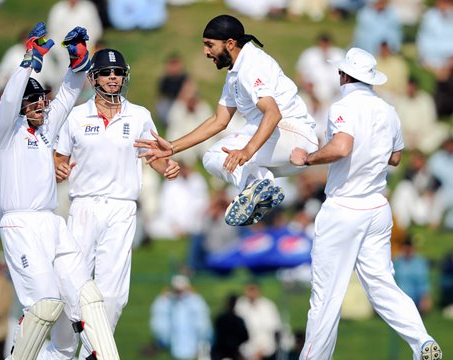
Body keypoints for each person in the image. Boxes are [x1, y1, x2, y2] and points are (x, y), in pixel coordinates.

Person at [277, 47, 442, 360]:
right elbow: (396, 157)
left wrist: (306, 158)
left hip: (345, 209)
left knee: (326, 296)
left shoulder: (343, 107)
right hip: (378, 208)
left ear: (345, 75)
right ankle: (422, 341)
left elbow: (340, 148)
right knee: (382, 285)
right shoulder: (388, 110)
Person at [0, 22, 133, 360]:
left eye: (41, 100)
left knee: (87, 296)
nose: (40, 106)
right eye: (32, 101)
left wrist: (78, 62)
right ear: (21, 106)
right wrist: (28, 62)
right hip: (20, 224)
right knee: (46, 304)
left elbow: (69, 93)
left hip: (52, 223)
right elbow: (8, 102)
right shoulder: (5, 133)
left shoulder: (46, 128)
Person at [36, 47, 180, 360]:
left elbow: (154, 156)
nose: (112, 78)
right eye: (105, 73)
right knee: (73, 287)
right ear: (94, 78)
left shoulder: (141, 116)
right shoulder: (75, 117)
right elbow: (58, 159)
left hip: (121, 207)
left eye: (117, 72)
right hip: (83, 206)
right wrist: (56, 166)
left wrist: (169, 166)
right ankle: (61, 351)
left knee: (113, 294)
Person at [135, 14, 319, 227]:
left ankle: (258, 184)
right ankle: (259, 185)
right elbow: (219, 120)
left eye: (209, 45)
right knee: (213, 157)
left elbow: (273, 113)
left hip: (291, 133)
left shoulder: (252, 65)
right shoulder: (235, 72)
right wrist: (173, 147)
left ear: (230, 44)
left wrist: (246, 151)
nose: (205, 52)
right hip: (283, 147)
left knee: (215, 155)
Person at [149, 275, 213, 360]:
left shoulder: (195, 301)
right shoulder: (165, 301)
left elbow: (202, 322)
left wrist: (202, 340)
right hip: (173, 343)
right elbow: (159, 322)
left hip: (192, 341)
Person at [235, 282, 282, 360]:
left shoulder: (268, 306)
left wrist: (262, 350)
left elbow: (275, 329)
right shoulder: (240, 306)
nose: (251, 293)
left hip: (267, 346)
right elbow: (238, 332)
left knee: (270, 359)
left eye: (253, 290)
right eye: (249, 290)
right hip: (246, 346)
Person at [211, 294, 249, 360]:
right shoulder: (222, 318)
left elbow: (245, 336)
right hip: (221, 348)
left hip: (234, 349)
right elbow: (217, 335)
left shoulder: (238, 320)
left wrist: (235, 343)